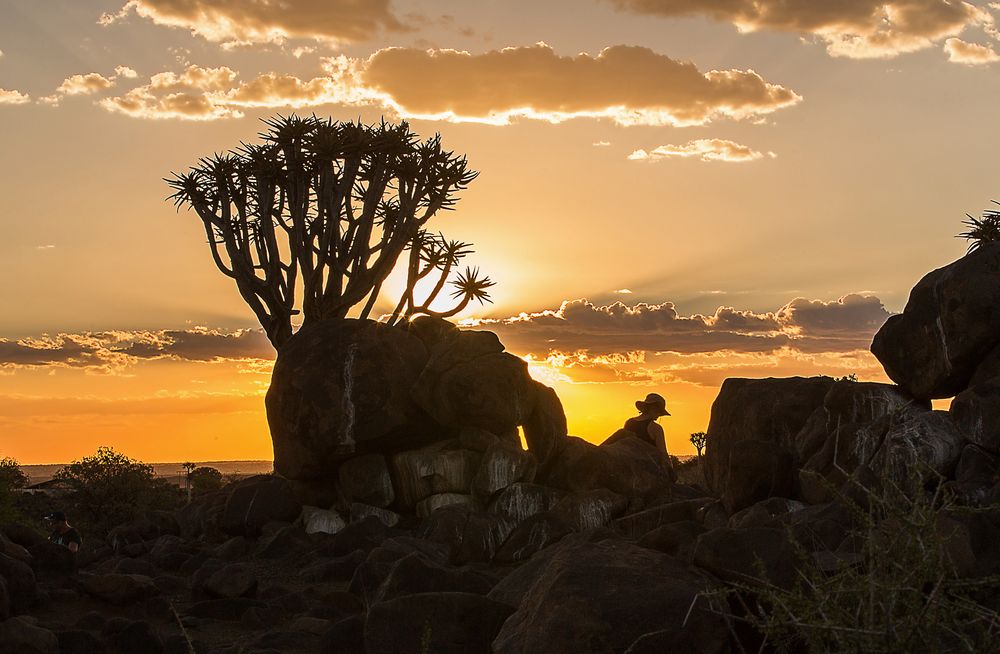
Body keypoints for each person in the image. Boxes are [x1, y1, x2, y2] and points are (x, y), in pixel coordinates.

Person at [604, 392, 677, 482]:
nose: (659, 416)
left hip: (627, 467)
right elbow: (663, 454)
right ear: (654, 409)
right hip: (648, 472)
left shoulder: (629, 422)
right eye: (659, 412)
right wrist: (671, 473)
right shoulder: (656, 428)